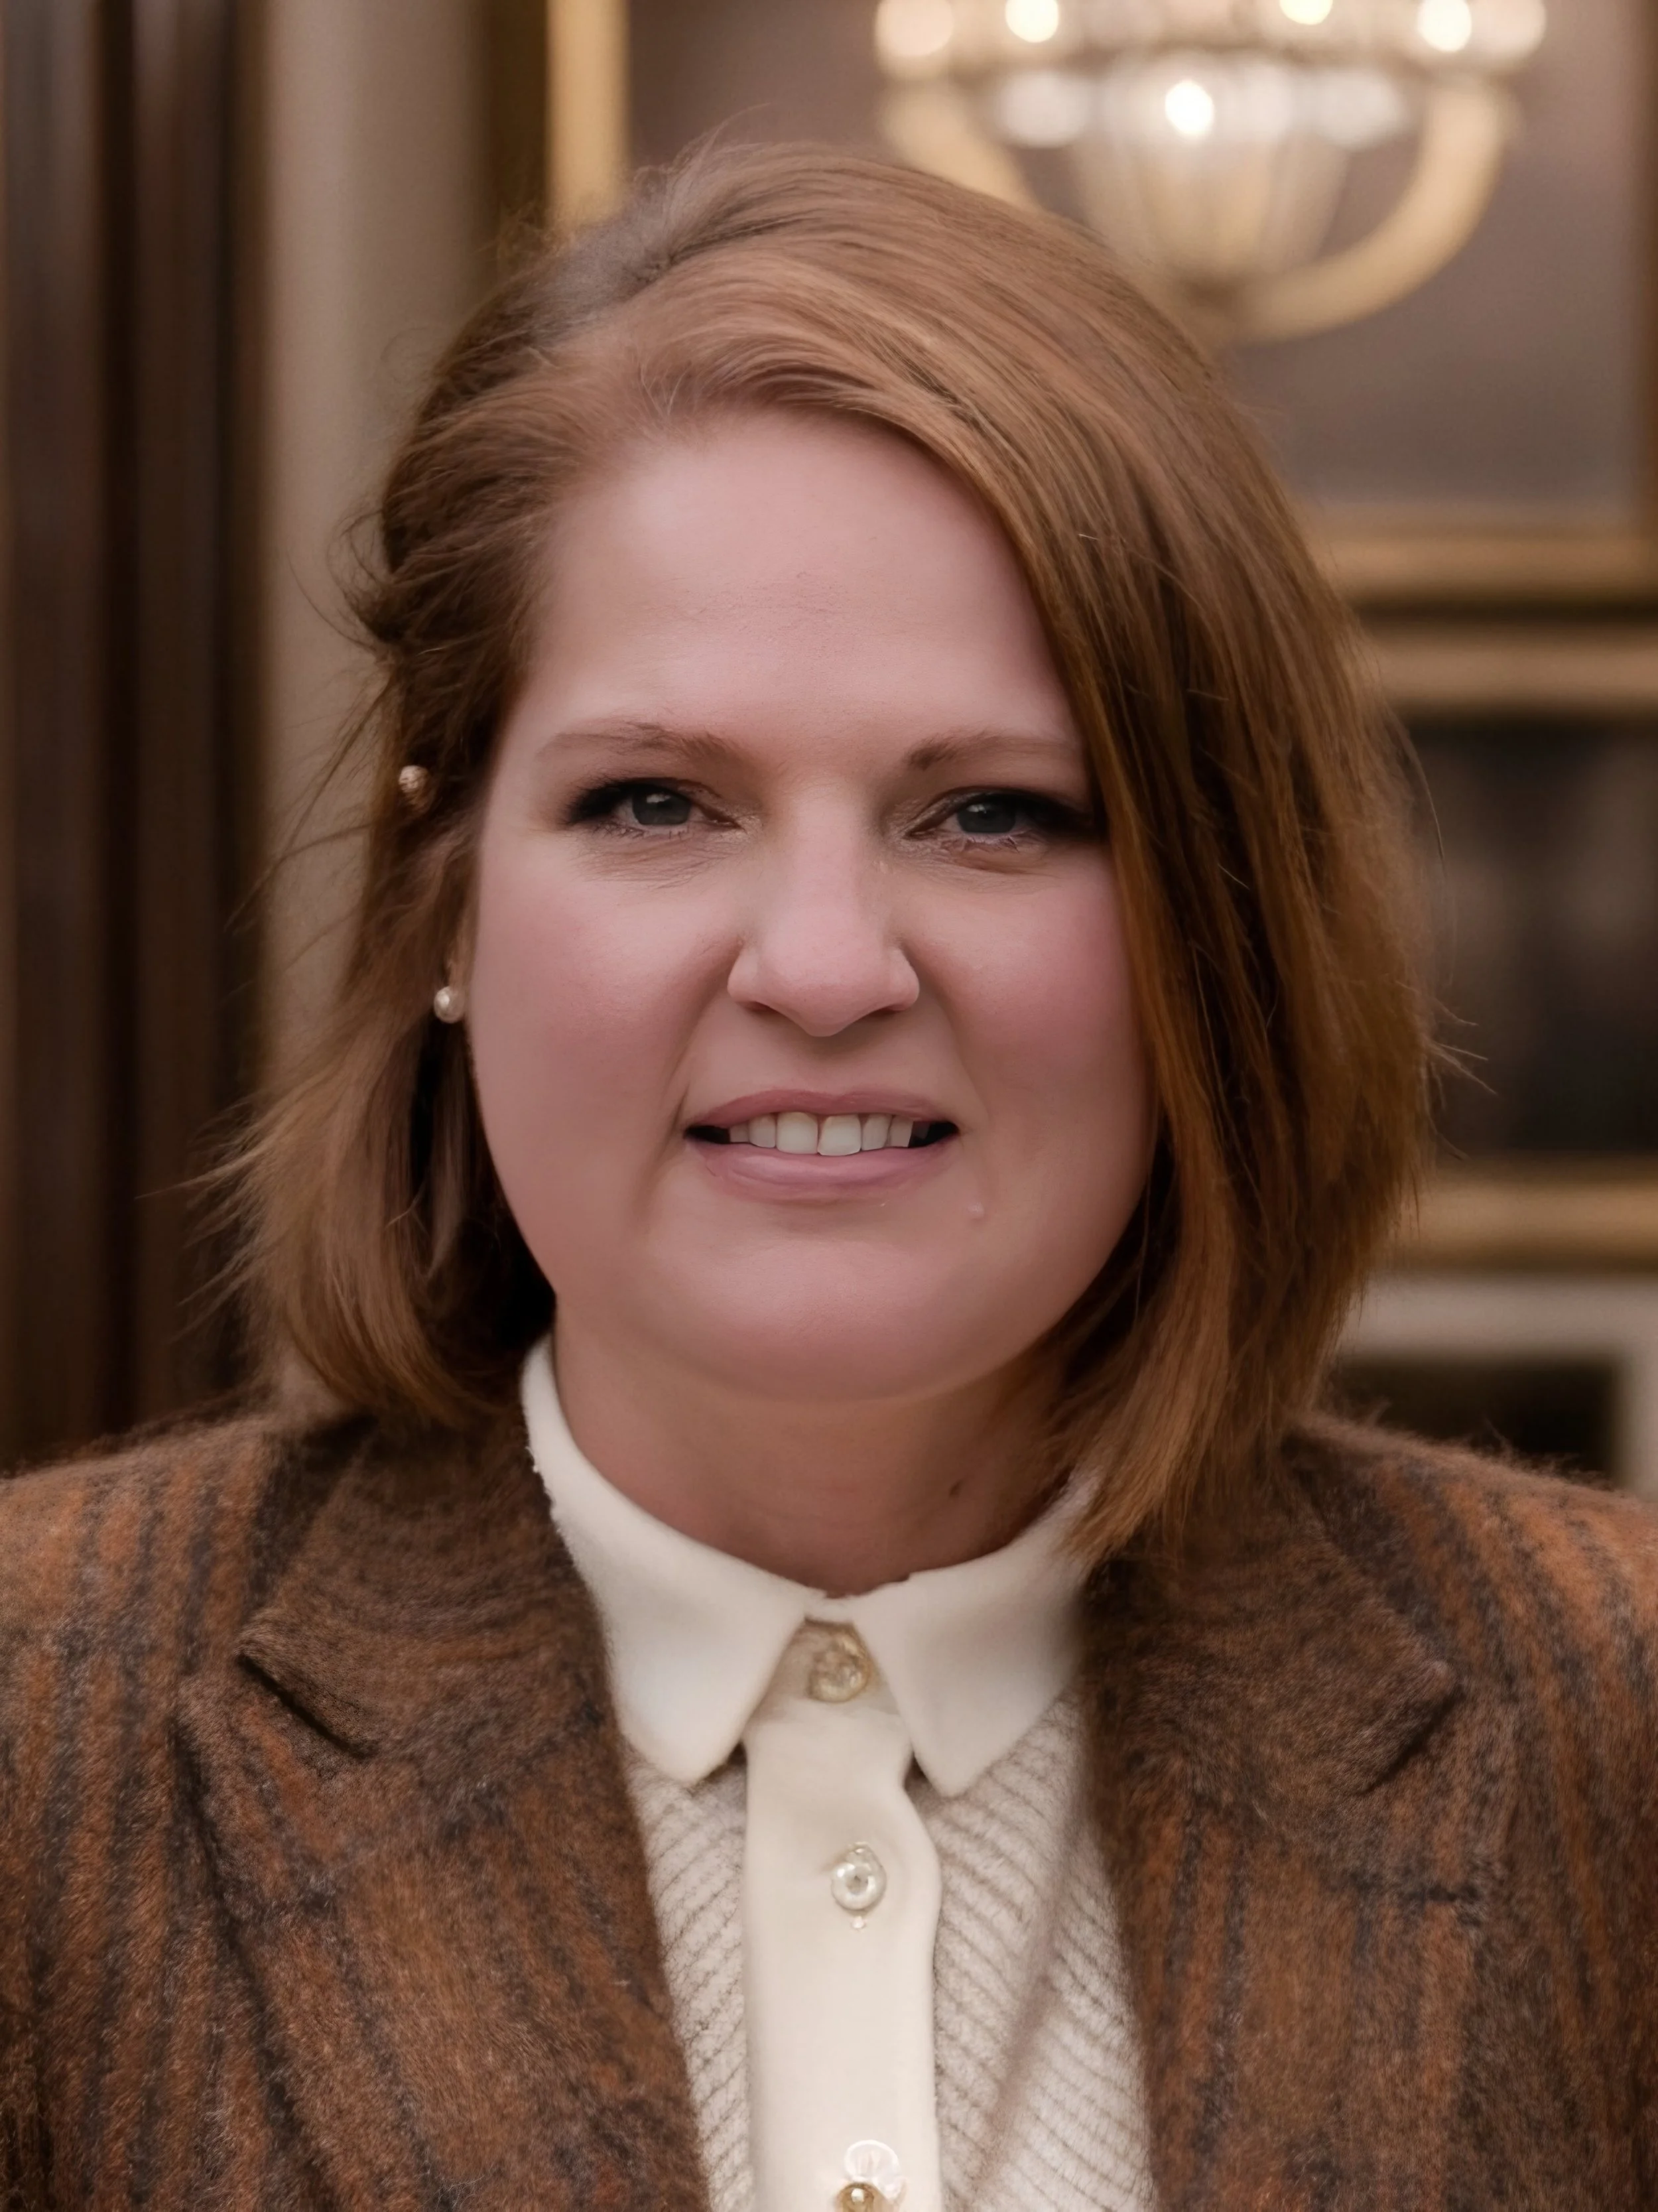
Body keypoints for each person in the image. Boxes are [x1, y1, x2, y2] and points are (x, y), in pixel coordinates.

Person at [2, 142, 1655, 2212]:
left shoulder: (1610, 1728)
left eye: (987, 815)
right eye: (653, 798)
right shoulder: (37, 1738)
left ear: (1206, 923)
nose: (816, 966)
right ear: (441, 896)